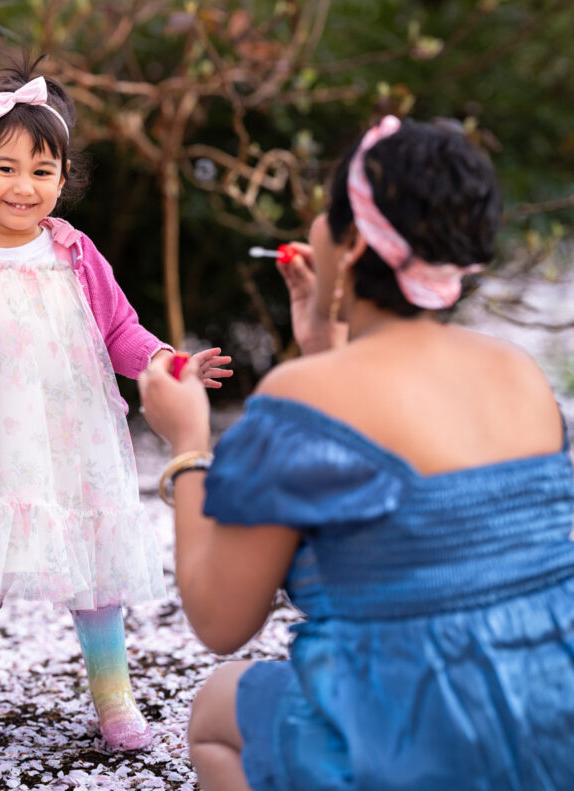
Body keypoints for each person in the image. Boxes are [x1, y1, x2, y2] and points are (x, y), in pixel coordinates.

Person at [138, 115, 574, 790]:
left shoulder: (303, 400)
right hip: (551, 726)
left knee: (217, 708)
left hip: (410, 740)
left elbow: (220, 619)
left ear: (351, 242)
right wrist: (328, 348)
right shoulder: (518, 372)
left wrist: (189, 444)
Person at [0, 57, 232, 757]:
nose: (23, 186)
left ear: (63, 179)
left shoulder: (77, 255)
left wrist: (165, 360)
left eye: (43, 171)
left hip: (72, 438)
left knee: (94, 567)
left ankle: (114, 696)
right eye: (5, 168)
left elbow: (121, 330)